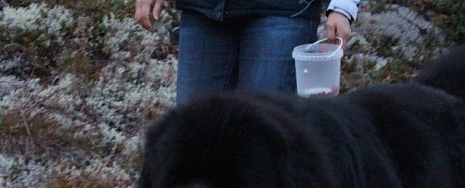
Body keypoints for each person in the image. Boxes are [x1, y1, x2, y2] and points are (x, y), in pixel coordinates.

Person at [134, 0, 360, 104]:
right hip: (203, 12)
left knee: (262, 139)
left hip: (282, 13)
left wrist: (343, 6)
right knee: (191, 141)